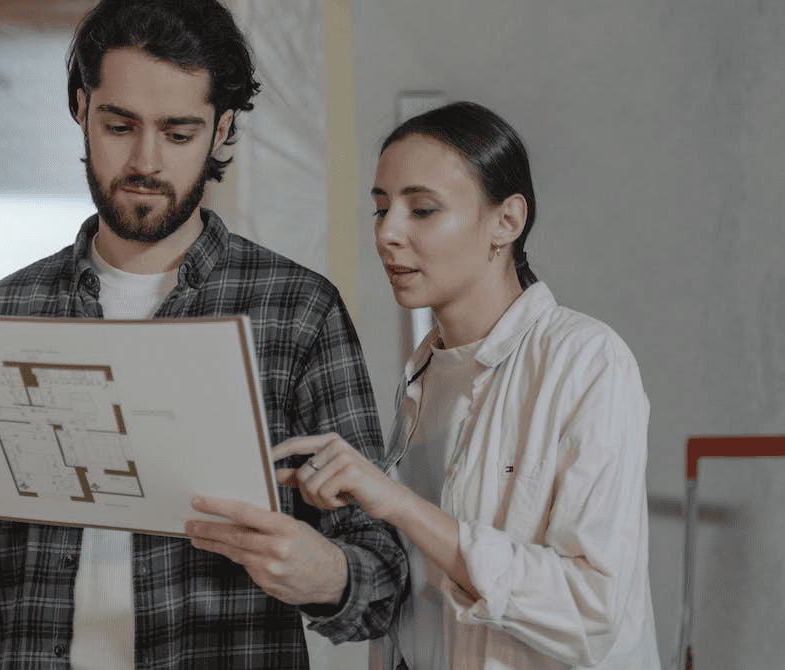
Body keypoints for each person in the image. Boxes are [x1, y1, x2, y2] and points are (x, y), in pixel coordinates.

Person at [0, 0, 406, 669]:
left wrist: (324, 572)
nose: (145, 162)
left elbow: (381, 581)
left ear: (222, 129)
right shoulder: (5, 310)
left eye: (178, 133)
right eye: (119, 126)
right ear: (81, 110)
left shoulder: (298, 312)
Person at [273, 101, 661, 670]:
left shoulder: (587, 361)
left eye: (422, 210)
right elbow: (421, 602)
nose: (388, 234)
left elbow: (592, 609)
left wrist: (400, 506)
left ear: (506, 221)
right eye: (380, 210)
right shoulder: (424, 372)